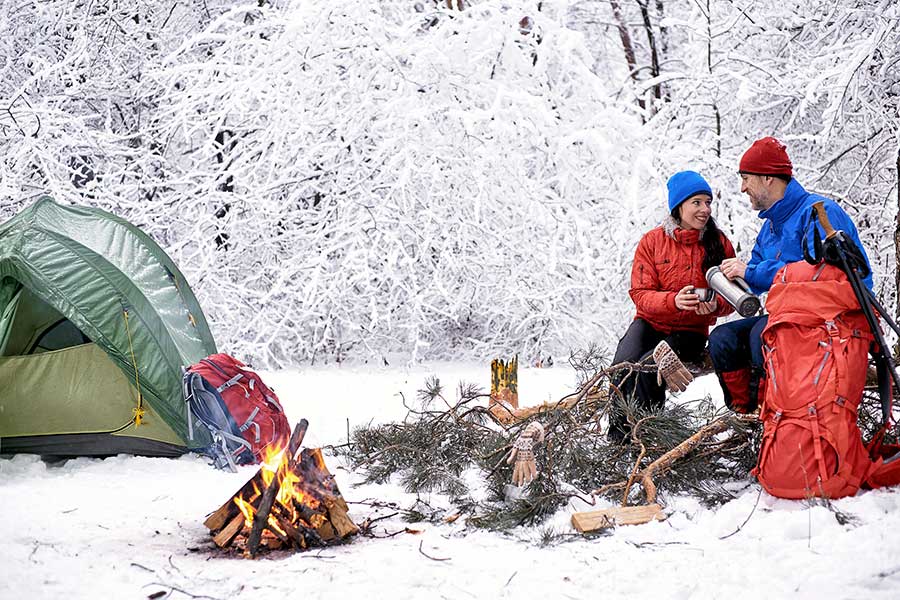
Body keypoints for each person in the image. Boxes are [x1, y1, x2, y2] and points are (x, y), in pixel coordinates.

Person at [708, 136, 873, 413]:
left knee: (762, 334)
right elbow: (758, 283)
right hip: (786, 315)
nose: (742, 188)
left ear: (768, 179)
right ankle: (745, 412)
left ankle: (775, 411)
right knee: (722, 339)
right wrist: (732, 285)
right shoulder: (769, 227)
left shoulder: (818, 213)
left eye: (747, 178)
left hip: (831, 318)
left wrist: (751, 270)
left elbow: (821, 275)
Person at [609, 171, 736, 441]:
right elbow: (640, 293)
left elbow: (735, 299)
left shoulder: (719, 243)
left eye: (708, 202)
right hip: (650, 323)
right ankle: (618, 440)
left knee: (648, 366)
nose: (705, 209)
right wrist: (673, 300)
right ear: (679, 206)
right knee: (622, 364)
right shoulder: (652, 242)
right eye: (697, 203)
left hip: (690, 331)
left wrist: (713, 305)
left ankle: (649, 438)